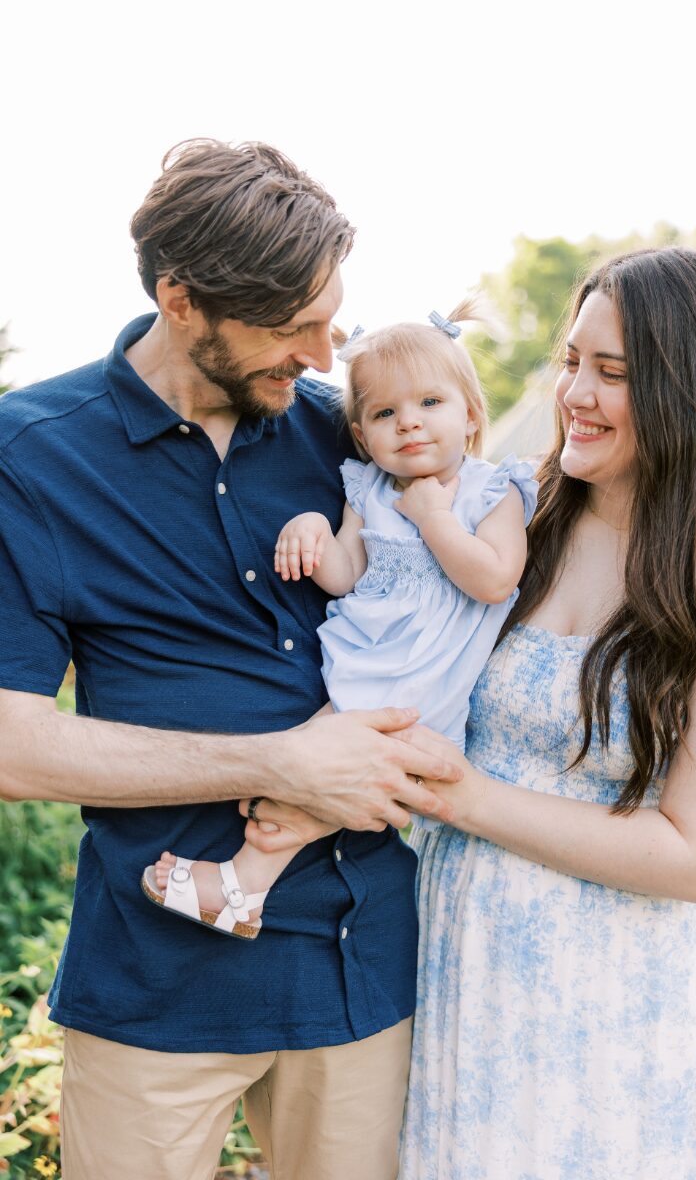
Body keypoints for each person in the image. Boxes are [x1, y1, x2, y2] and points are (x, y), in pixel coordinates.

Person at [245, 246, 696, 1176]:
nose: (574, 392)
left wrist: (462, 799)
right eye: (573, 360)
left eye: (613, 372)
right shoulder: (520, 517)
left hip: (619, 999)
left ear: (692, 388)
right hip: (460, 962)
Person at [0, 139, 462, 1180]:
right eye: (287, 324)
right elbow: (12, 747)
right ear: (180, 297)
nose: (320, 350)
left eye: (329, 316)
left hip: (359, 965)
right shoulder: (29, 460)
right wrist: (275, 764)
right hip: (153, 984)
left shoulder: (348, 436)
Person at [142, 300, 537, 937]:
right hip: (366, 665)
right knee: (310, 776)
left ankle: (241, 884)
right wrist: (311, 532)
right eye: (385, 413)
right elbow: (348, 572)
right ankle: (246, 887)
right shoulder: (368, 489)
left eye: (430, 404)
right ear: (361, 435)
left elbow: (494, 581)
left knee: (319, 773)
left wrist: (434, 517)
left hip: (419, 684)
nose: (409, 424)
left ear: (470, 414)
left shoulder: (495, 491)